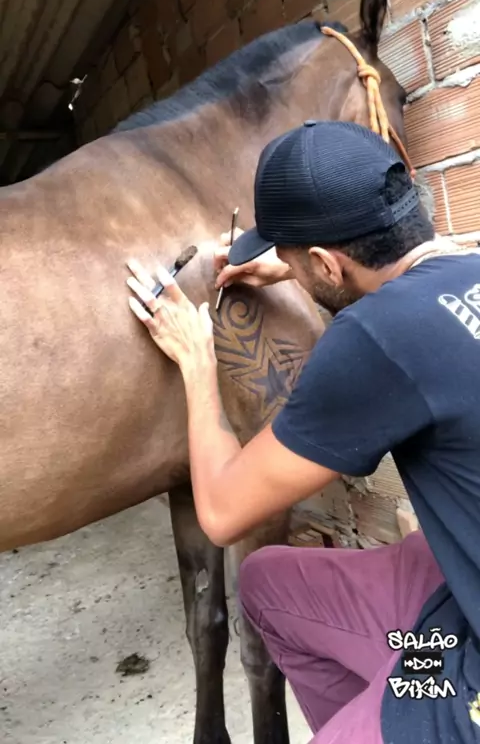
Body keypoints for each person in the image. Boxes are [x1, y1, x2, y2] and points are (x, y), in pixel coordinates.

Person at [125, 121, 480, 744]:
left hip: (471, 668)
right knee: (268, 582)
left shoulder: (374, 337)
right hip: (461, 591)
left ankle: (413, 707)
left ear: (326, 263)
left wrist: (197, 361)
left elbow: (222, 514)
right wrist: (297, 270)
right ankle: (389, 703)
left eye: (290, 255)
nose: (281, 263)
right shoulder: (464, 268)